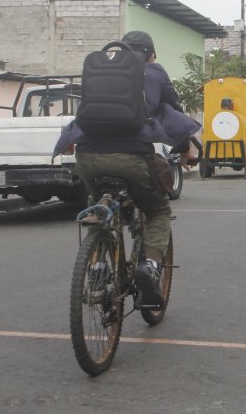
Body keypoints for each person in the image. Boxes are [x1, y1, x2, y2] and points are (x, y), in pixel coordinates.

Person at [55, 31, 200, 306]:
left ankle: (97, 269)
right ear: (150, 54)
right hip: (131, 157)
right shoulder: (155, 72)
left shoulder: (100, 75)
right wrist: (185, 151)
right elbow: (173, 113)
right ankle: (150, 267)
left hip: (88, 158)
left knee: (97, 204)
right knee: (158, 210)